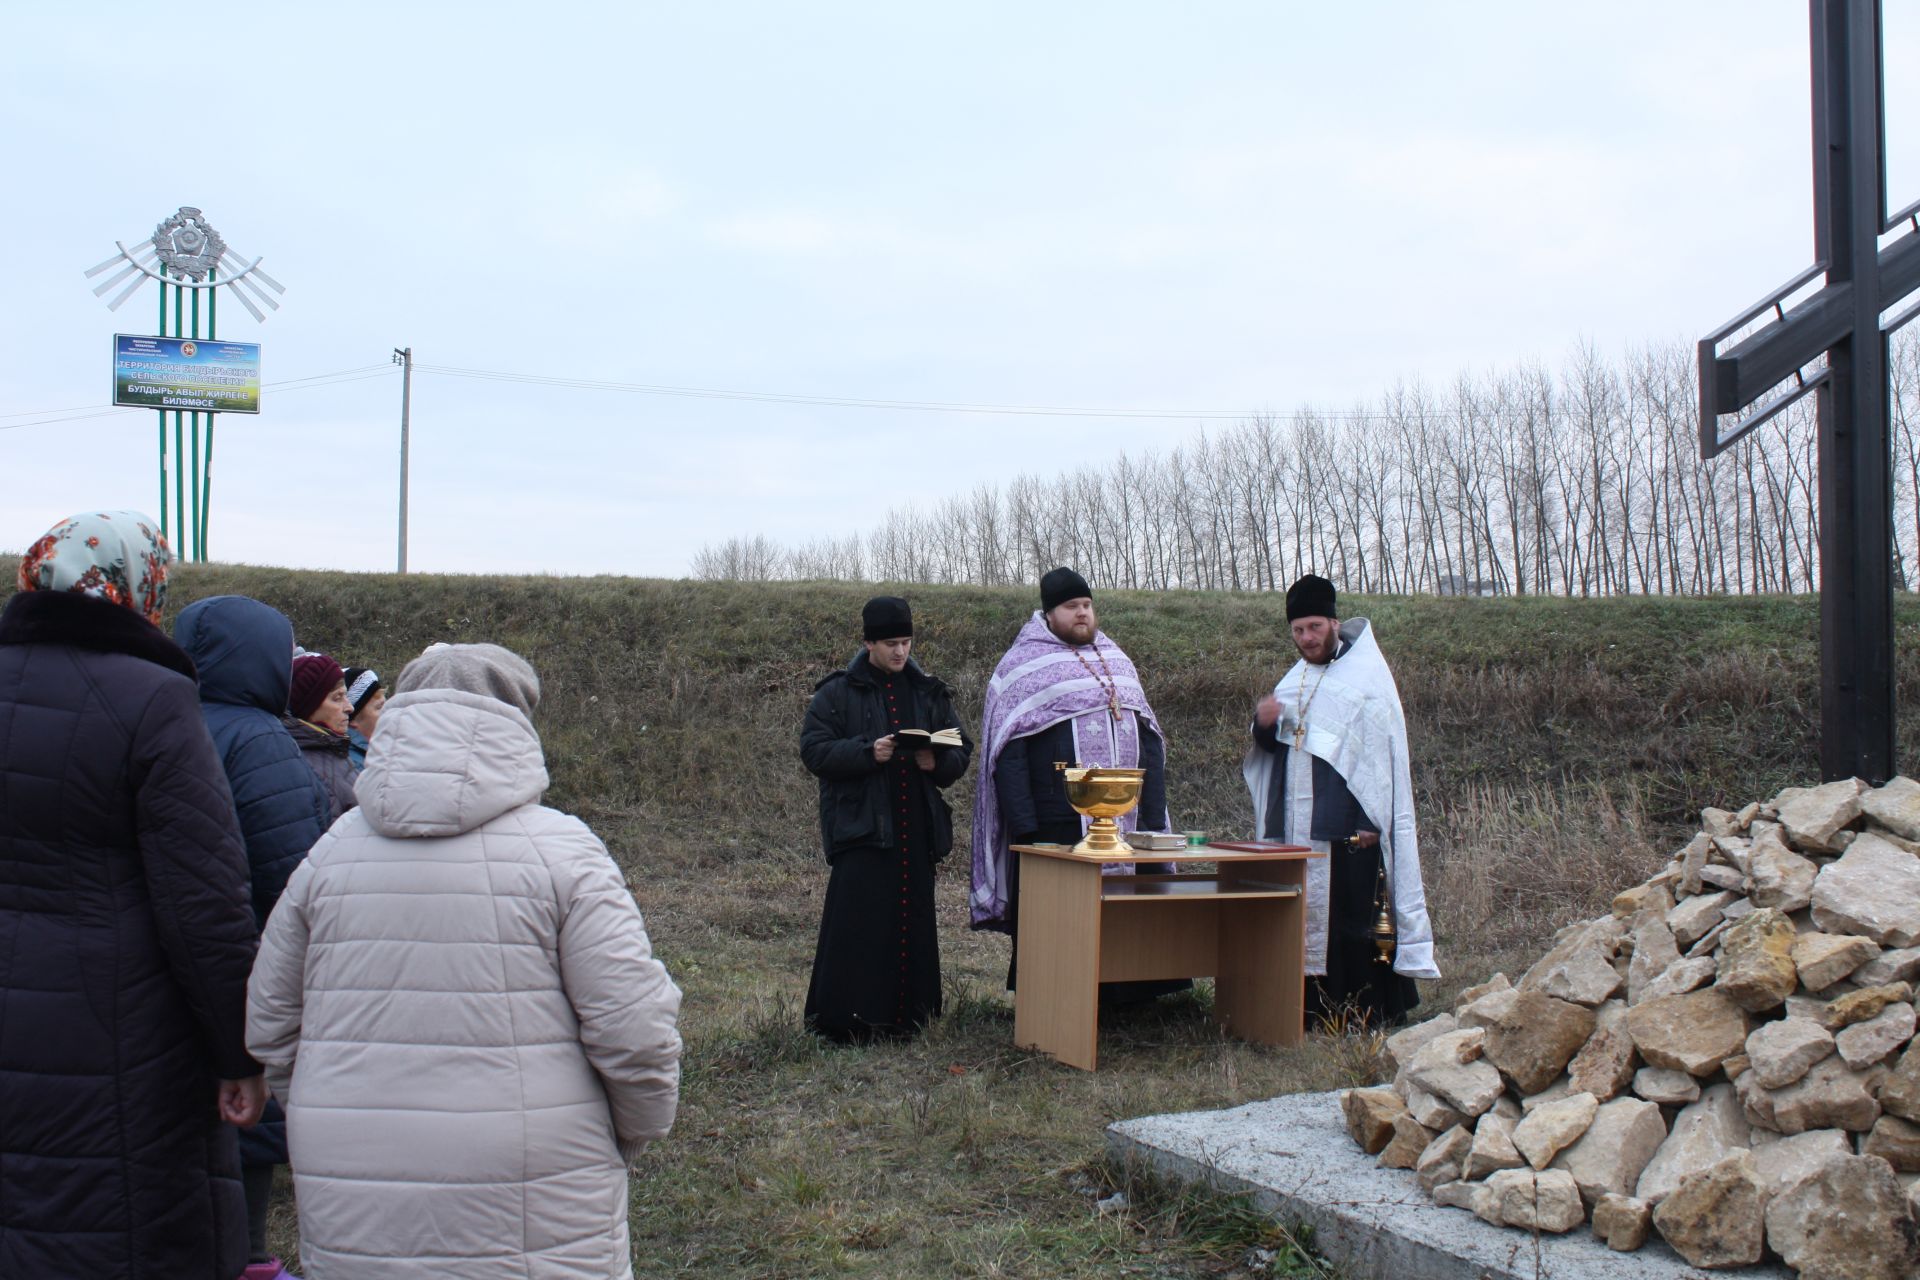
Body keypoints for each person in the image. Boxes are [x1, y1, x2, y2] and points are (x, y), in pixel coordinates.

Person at [246, 643, 683, 1279]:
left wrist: (326, 1106)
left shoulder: (331, 854)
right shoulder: (564, 852)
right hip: (536, 1177)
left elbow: (269, 1022)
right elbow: (634, 1031)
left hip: (352, 1180)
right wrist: (632, 1133)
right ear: (516, 721)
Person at [0, 511, 267, 1279]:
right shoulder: (150, 698)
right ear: (136, 582)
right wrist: (237, 1053)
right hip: (116, 1033)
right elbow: (205, 900)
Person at [175, 594, 332, 1280]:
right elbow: (294, 878)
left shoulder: (160, 720)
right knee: (242, 1146)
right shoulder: (262, 739)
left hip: (158, 978)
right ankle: (249, 1262)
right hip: (244, 972)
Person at [970, 567, 1183, 999]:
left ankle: (1133, 993)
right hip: (1056, 819)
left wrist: (1153, 811)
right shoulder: (1022, 666)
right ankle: (1057, 1000)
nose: (1083, 614)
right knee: (1058, 918)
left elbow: (1150, 738)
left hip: (1126, 817)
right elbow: (1007, 752)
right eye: (1072, 607)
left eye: (1087, 606)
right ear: (1049, 615)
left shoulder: (1116, 660)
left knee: (1130, 907)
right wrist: (1026, 827)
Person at [1244, 574, 1438, 1030]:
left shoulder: (1367, 679)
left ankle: (1368, 1011)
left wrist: (1372, 820)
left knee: (1354, 918)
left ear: (1333, 622)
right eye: (1298, 630)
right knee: (1310, 918)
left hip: (1351, 826)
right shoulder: (1296, 678)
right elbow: (1275, 749)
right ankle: (1313, 1011)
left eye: (1314, 627)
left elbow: (1380, 763)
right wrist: (1264, 725)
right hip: (1300, 822)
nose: (1306, 638)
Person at [799, 596, 973, 1041]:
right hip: (861, 830)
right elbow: (814, 750)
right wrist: (866, 752)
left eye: (906, 642)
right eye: (891, 643)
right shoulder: (836, 693)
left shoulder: (928, 691)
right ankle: (845, 1025)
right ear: (868, 643)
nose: (900, 652)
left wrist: (937, 762)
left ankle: (913, 1021)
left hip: (916, 828)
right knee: (857, 924)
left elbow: (960, 748)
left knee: (912, 921)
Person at [285, 652, 357, 817]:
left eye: (346, 695)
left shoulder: (334, 749)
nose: (349, 708)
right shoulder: (309, 770)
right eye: (337, 698)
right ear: (308, 707)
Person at [342, 665, 383, 769]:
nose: (387, 712)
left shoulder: (376, 748)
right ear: (353, 719)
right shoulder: (355, 764)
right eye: (379, 707)